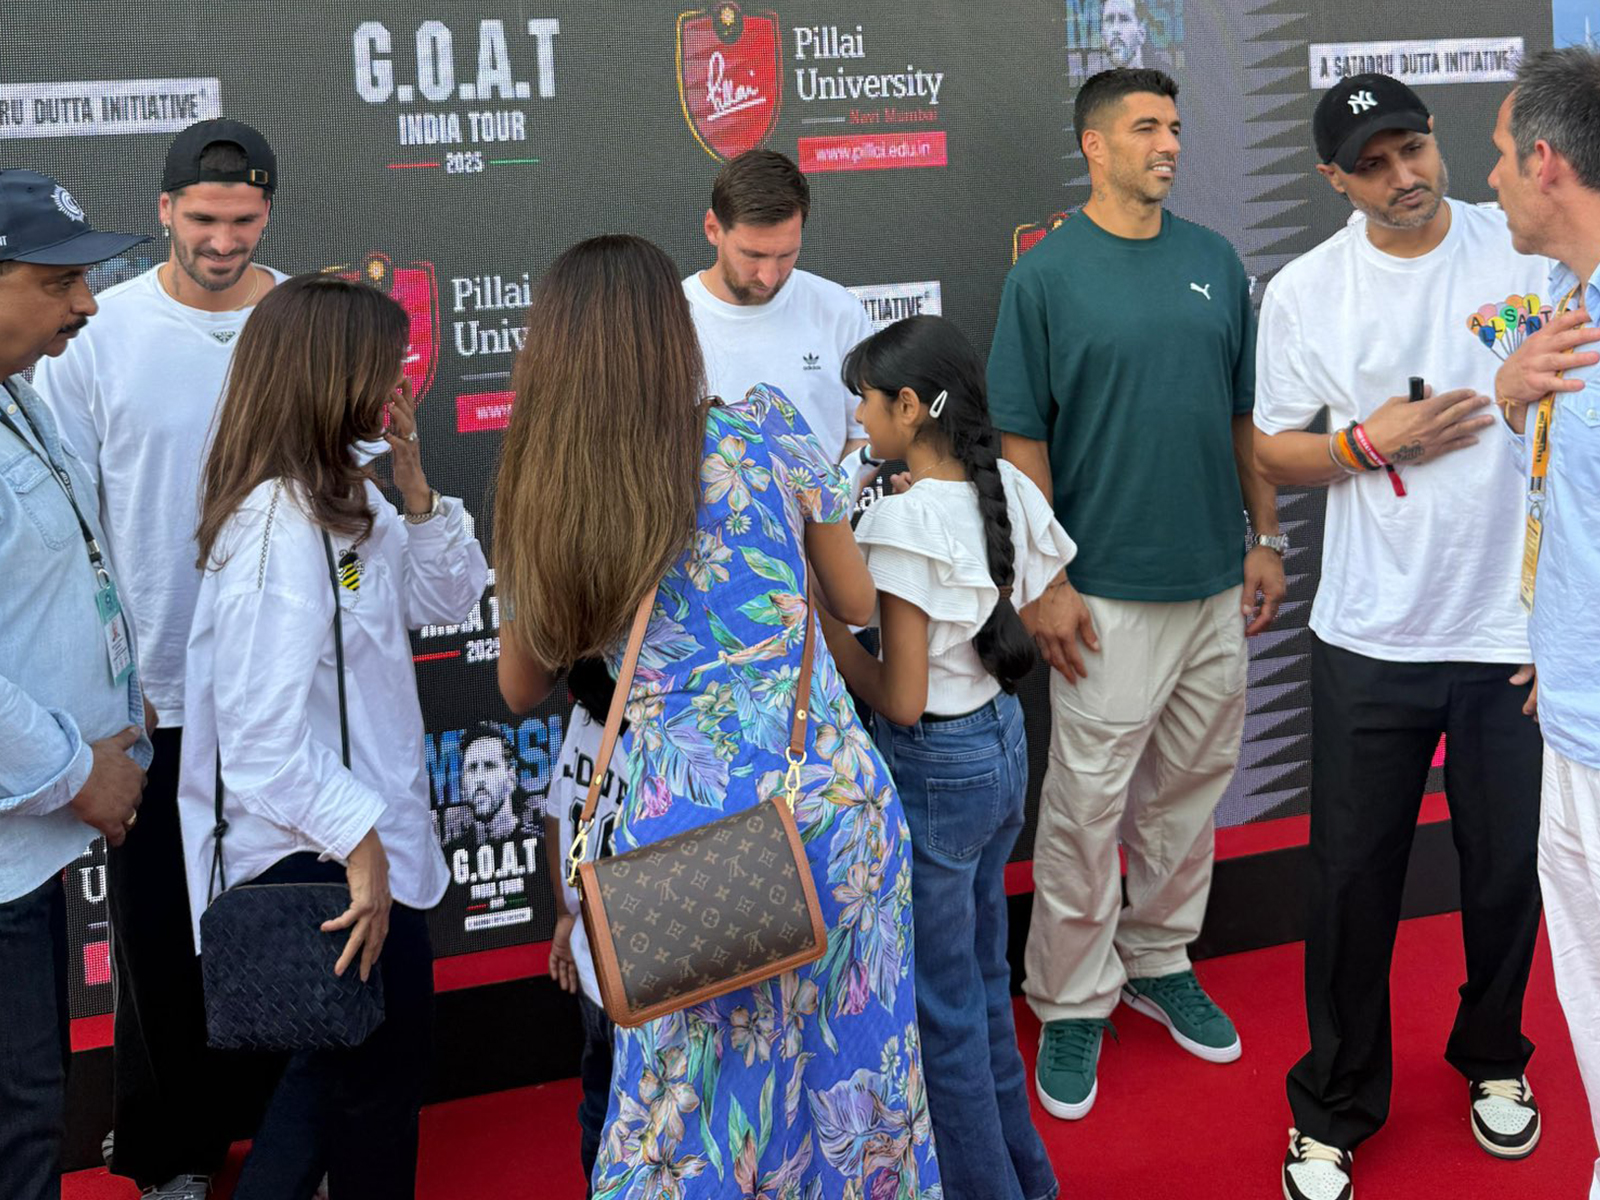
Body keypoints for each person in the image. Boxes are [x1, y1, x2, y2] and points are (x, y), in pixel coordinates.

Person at [495, 234, 939, 1198]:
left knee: (688, 1125)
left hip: (681, 838)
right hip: (826, 809)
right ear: (673, 332)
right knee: (857, 1107)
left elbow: (521, 685)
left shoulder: (550, 486)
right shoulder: (769, 427)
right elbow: (856, 603)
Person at [1252, 73, 1550, 1199]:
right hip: (1371, 636)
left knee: (1502, 872)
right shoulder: (1306, 290)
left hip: (1508, 629)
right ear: (1335, 179)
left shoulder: (1519, 244)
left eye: (1412, 148)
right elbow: (1273, 451)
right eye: (1372, 164)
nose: (1403, 175)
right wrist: (1363, 447)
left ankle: (1492, 1061)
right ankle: (1331, 1104)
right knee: (1348, 884)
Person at [986, 66, 1285, 1121]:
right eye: (1145, 128)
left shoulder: (1213, 260)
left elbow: (1245, 417)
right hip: (1101, 596)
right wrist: (1046, 577)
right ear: (1094, 148)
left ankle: (1157, 960)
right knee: (1085, 809)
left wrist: (1263, 536)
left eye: (1173, 126)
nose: (1167, 144)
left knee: (1189, 790)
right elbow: (1018, 439)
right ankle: (1069, 1002)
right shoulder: (1046, 276)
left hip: (1213, 583)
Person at [176, 273, 487, 1199]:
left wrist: (418, 487)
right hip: (319, 859)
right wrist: (362, 852)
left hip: (360, 844)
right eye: (386, 371)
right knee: (367, 1092)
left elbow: (448, 598)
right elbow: (261, 741)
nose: (400, 388)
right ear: (331, 378)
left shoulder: (343, 499)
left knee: (351, 1085)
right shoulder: (277, 526)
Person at [31, 117, 288, 1198]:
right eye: (202, 220)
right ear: (165, 212)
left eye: (242, 220)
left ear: (266, 213)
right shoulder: (100, 333)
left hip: (280, 692)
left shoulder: (304, 320)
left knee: (287, 930)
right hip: (154, 696)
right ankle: (174, 1157)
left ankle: (293, 1145)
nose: (222, 241)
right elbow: (68, 514)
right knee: (159, 944)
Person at [819, 314, 1072, 1200]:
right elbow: (1036, 598)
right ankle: (1029, 1183)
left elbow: (901, 697)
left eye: (867, 400)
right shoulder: (1004, 485)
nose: (858, 417)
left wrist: (823, 627)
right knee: (984, 997)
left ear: (911, 407)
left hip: (936, 769)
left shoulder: (899, 526)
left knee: (947, 1019)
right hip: (1003, 753)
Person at [0, 169, 152, 1200]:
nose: (87, 306)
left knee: (39, 1118)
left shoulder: (20, 395)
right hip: (18, 840)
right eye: (59, 282)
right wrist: (73, 770)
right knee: (19, 1130)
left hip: (36, 845)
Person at [1487, 45, 1600, 1200]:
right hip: (1567, 713)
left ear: (1548, 163)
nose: (1489, 181)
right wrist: (1555, 640)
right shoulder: (1569, 310)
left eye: (1498, 155)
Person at [684, 149, 873, 461]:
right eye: (753, 255)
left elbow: (867, 436)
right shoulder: (670, 317)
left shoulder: (838, 310)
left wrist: (827, 505)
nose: (769, 277)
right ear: (713, 228)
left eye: (786, 255)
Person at [542, 657, 628, 1196]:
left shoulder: (582, 721)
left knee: (598, 1105)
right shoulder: (651, 729)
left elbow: (556, 815)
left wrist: (565, 914)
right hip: (639, 969)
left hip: (592, 956)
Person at [440, 722, 522, 848]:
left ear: (511, 778)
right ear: (463, 786)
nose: (479, 778)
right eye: (472, 768)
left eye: (489, 766)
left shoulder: (541, 839)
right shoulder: (450, 851)